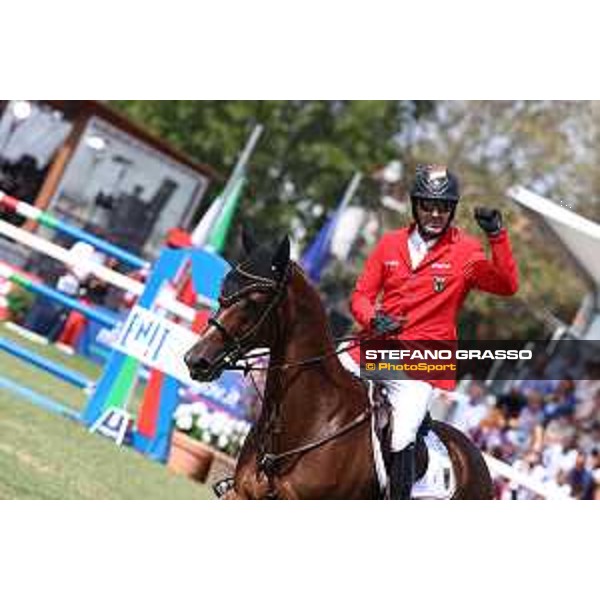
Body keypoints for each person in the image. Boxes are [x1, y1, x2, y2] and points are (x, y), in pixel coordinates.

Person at [347, 164, 519, 499]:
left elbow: (507, 285)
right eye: (428, 205)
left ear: (452, 210)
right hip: (370, 349)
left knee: (402, 434)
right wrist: (371, 319)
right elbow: (361, 296)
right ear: (415, 205)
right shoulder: (389, 244)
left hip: (421, 362)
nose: (436, 213)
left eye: (443, 207)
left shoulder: (466, 252)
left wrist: (497, 236)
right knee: (312, 384)